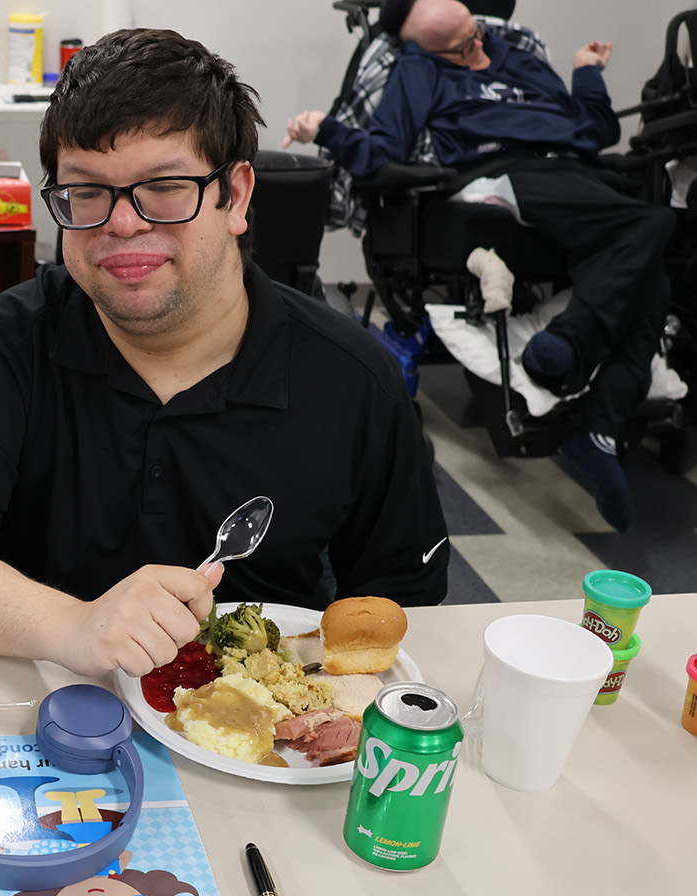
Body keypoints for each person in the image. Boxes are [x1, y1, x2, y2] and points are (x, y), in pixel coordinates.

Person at [0, 28, 448, 681]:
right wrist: (74, 625)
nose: (122, 223)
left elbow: (399, 605)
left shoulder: (354, 379)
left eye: (164, 186)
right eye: (87, 192)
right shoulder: (14, 340)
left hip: (262, 738)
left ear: (235, 196)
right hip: (48, 705)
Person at [284, 0, 675, 532]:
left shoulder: (514, 53)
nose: (481, 49)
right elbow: (381, 153)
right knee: (652, 226)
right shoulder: (418, 70)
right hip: (504, 175)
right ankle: (572, 356)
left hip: (577, 178)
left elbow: (593, 131)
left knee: (650, 264)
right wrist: (327, 130)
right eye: (465, 46)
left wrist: (586, 73)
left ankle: (595, 419)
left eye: (479, 35)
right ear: (428, 48)